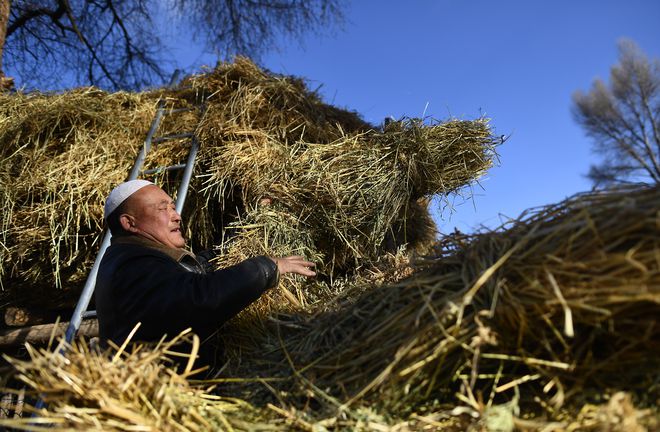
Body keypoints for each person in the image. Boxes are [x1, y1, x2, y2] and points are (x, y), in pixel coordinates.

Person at [95, 179, 315, 353]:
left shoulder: (142, 257)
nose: (177, 216)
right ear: (129, 223)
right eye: (163, 209)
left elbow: (205, 264)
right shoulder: (130, 266)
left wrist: (251, 220)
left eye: (173, 206)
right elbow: (197, 297)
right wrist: (267, 267)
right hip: (165, 395)